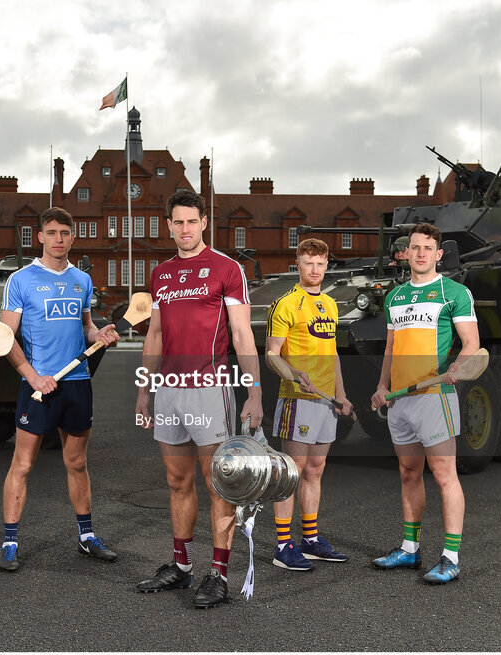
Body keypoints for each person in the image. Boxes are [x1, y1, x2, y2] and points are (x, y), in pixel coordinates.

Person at [134, 189, 263, 609]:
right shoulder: (161, 274)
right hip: (169, 389)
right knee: (176, 482)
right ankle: (182, 567)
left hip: (210, 388)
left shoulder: (227, 269)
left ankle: (219, 574)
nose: (185, 229)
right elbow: (154, 335)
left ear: (204, 223)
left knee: (218, 484)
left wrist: (255, 391)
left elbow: (242, 335)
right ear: (168, 225)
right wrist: (143, 391)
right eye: (178, 222)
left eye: (192, 221)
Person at [0, 207, 120, 573]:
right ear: (40, 237)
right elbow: (5, 338)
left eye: (65, 232)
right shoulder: (21, 280)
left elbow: (86, 327)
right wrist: (33, 377)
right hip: (38, 387)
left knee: (77, 463)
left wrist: (100, 335)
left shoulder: (82, 280)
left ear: (72, 237)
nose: (58, 239)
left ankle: (86, 537)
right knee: (22, 463)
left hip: (77, 384)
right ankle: (9, 541)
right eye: (51, 232)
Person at [370, 223, 479, 585]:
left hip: (435, 397)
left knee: (445, 477)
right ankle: (410, 549)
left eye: (427, 248)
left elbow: (471, 343)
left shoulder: (455, 292)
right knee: (408, 473)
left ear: (438, 254)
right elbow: (391, 348)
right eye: (414, 247)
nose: (420, 254)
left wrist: (457, 369)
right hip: (400, 401)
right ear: (406, 253)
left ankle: (450, 558)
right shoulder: (395, 296)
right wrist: (382, 385)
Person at [266, 238, 354, 571]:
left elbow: (333, 354)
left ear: (327, 266)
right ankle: (283, 546)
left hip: (326, 402)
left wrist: (341, 394)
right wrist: (292, 373)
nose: (314, 269)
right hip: (298, 399)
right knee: (293, 472)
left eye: (320, 264)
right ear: (298, 265)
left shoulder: (330, 304)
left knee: (315, 470)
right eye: (308, 263)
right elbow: (272, 354)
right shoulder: (286, 304)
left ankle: (311, 540)